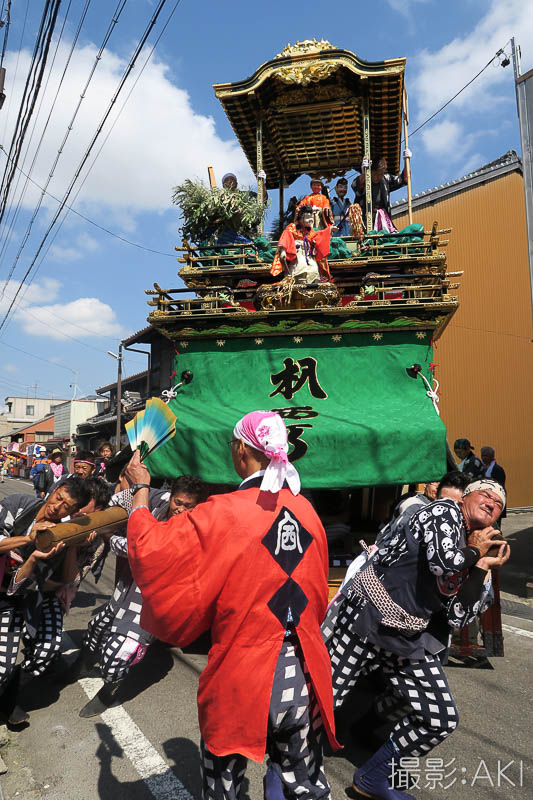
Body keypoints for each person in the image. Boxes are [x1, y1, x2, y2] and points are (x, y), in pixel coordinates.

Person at [126, 410, 338, 799]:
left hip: (244, 673)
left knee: (223, 783)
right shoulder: (307, 511)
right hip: (305, 671)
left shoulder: (225, 510)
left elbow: (151, 550)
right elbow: (318, 591)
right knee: (305, 783)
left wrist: (140, 488)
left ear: (241, 449)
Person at [322, 479, 509, 800]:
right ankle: (287, 766)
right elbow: (443, 563)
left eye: (499, 504)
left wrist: (480, 567)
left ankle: (372, 776)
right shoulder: (445, 512)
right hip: (367, 616)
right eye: (486, 494)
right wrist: (474, 551)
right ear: (466, 497)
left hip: (407, 635)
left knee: (441, 717)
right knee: (327, 698)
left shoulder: (477, 553)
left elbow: (459, 616)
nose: (492, 502)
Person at [71, 475, 207, 717]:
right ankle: (82, 665)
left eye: (189, 505)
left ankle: (110, 689)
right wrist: (98, 515)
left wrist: (108, 536)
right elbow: (123, 498)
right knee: (97, 628)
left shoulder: (197, 527)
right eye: (178, 502)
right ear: (171, 496)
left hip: (154, 599)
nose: (181, 509)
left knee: (117, 653)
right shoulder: (158, 498)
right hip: (129, 584)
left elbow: (139, 550)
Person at [0, 478, 91, 725]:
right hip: (10, 593)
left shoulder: (61, 535)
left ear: (74, 511)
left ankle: (8, 697)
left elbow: (53, 581)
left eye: (66, 507)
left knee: (38, 653)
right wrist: (28, 539)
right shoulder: (19, 503)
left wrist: (71, 544)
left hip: (23, 596)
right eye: (58, 497)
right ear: (54, 490)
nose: (56, 507)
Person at [352, 150, 411, 232]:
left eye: (380, 174)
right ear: (370, 172)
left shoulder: (386, 179)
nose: (377, 177)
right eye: (375, 174)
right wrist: (364, 173)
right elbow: (355, 186)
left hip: (383, 221)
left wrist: (406, 160)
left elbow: (404, 180)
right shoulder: (364, 180)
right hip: (364, 222)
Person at [271, 204, 332, 284]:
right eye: (307, 217)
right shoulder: (292, 228)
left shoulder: (311, 231)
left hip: (309, 256)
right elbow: (285, 237)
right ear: (300, 218)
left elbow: (319, 236)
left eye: (311, 217)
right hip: (298, 255)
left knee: (314, 270)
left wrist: (329, 230)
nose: (310, 220)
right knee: (300, 269)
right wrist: (283, 251)